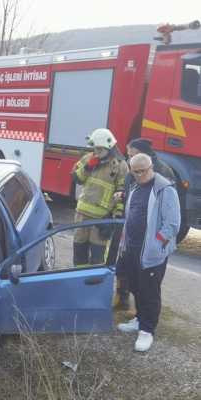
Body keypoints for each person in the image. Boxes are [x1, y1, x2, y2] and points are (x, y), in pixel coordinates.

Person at [116, 153, 180, 352]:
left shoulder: (165, 189)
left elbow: (172, 223)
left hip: (151, 252)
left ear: (151, 167)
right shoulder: (135, 187)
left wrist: (157, 242)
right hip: (133, 248)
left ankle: (147, 330)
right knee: (135, 285)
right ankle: (139, 319)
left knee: (150, 291)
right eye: (135, 172)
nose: (139, 175)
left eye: (142, 171)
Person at [110, 137, 177, 309]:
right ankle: (126, 301)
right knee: (126, 270)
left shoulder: (162, 173)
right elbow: (138, 196)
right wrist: (124, 196)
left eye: (131, 154)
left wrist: (157, 241)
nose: (128, 158)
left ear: (142, 155)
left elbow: (169, 214)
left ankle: (146, 323)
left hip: (150, 240)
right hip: (132, 234)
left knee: (149, 283)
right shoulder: (135, 170)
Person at [71, 128, 128, 266]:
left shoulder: (120, 166)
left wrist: (115, 218)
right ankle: (79, 280)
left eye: (100, 150)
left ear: (110, 147)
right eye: (95, 149)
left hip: (101, 219)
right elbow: (76, 178)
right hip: (81, 216)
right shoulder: (88, 158)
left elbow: (122, 193)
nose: (96, 152)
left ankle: (95, 284)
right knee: (79, 253)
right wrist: (87, 167)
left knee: (97, 258)